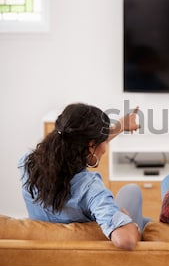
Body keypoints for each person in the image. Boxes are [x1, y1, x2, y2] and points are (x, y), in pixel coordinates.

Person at [18, 103, 148, 251]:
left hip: (44, 247)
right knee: (132, 190)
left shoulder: (27, 163)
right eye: (104, 140)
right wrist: (130, 222)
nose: (105, 146)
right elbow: (125, 241)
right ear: (91, 146)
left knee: (147, 221)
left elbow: (77, 142)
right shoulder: (90, 189)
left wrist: (119, 126)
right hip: (97, 250)